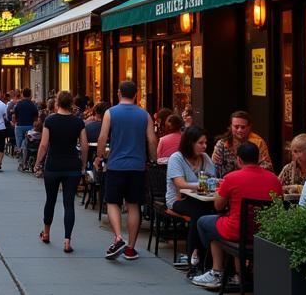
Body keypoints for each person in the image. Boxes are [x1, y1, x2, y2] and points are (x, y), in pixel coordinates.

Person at [192, 141, 282, 289]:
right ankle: (239, 274)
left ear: (239, 160)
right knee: (228, 223)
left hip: (238, 231)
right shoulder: (274, 180)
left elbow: (218, 205)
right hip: (264, 232)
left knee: (206, 223)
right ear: (259, 159)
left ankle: (217, 271)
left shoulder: (232, 177)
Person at [94, 80, 156, 261]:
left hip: (116, 164)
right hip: (137, 166)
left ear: (119, 93)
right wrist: (152, 159)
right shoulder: (144, 115)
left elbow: (102, 137)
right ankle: (131, 248)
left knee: (113, 202)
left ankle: (118, 237)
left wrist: (99, 156)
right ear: (136, 95)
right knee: (133, 205)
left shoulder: (110, 113)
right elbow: (152, 141)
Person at [34, 91, 87, 252]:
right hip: (72, 166)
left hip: (53, 165)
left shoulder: (50, 120)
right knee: (68, 203)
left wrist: (38, 163)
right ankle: (67, 240)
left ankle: (47, 233)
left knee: (50, 199)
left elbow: (44, 145)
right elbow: (84, 145)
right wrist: (83, 164)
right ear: (71, 104)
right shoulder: (78, 122)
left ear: (57, 103)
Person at [166, 125, 217, 271]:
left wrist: (208, 183)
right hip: (178, 200)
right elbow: (180, 184)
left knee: (208, 212)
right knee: (198, 213)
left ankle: (203, 256)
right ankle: (194, 255)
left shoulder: (205, 158)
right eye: (201, 143)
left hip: (201, 199)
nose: (204, 146)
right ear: (190, 143)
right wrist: (203, 184)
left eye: (205, 143)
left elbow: (211, 178)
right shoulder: (176, 158)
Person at [212, 111, 272, 177]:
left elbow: (267, 167)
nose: (239, 130)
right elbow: (214, 167)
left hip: (250, 179)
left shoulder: (258, 143)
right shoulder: (222, 144)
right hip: (227, 180)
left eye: (243, 127)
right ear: (231, 126)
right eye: (236, 127)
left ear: (249, 127)